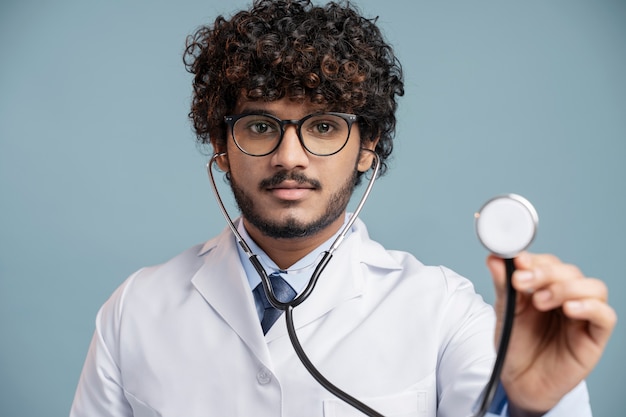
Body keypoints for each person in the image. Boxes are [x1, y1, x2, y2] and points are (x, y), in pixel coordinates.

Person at [70, 1, 617, 416]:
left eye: (324, 126)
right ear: (220, 143)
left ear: (368, 145)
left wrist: (532, 406)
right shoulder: (134, 311)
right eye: (260, 126)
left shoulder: (445, 312)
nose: (290, 158)